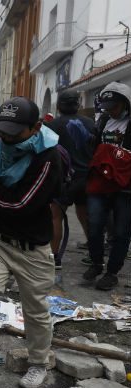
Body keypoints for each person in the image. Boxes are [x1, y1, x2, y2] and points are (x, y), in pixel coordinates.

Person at [0, 97, 64, 388]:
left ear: (36, 127)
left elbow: (21, 204)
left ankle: (38, 362)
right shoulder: (0, 138)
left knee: (35, 310)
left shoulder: (49, 158)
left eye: (14, 132)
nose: (6, 137)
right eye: (3, 130)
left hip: (32, 248)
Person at [82, 82, 131, 290]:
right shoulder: (103, 120)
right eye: (108, 106)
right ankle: (96, 263)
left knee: (121, 231)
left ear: (125, 103)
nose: (111, 110)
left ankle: (111, 273)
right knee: (94, 225)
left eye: (115, 106)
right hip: (101, 182)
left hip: (125, 187)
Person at [44, 89, 97, 269]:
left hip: (63, 178)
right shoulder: (91, 124)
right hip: (86, 177)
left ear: (59, 106)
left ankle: (54, 256)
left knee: (55, 215)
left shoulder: (52, 126)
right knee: (85, 215)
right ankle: (94, 255)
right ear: (79, 105)